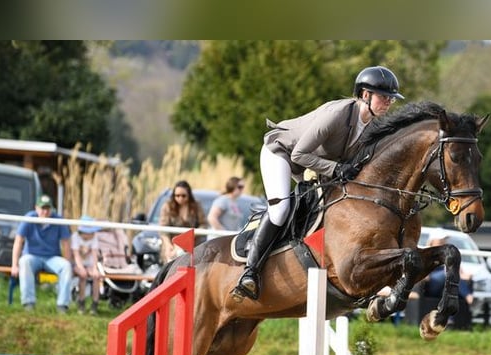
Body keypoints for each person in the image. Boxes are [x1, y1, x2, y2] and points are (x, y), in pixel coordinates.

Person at [234, 65, 404, 300]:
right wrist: (336, 168)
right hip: (281, 153)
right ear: (366, 95)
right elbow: (299, 155)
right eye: (384, 97)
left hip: (312, 167)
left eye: (391, 99)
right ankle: (250, 272)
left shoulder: (371, 127)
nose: (388, 103)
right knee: (281, 209)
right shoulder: (338, 114)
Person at [10, 195, 73, 313]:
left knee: (66, 266)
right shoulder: (29, 218)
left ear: (52, 209)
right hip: (32, 256)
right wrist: (14, 265)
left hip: (52, 258)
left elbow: (66, 244)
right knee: (24, 261)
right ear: (36, 208)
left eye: (47, 208)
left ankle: (62, 305)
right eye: (42, 208)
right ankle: (28, 303)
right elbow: (18, 241)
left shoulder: (59, 220)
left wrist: (69, 262)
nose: (45, 211)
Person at [158, 180, 208, 261]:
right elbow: (163, 228)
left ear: (189, 195)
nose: (180, 198)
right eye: (177, 195)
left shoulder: (196, 206)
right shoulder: (167, 206)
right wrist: (168, 245)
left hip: (192, 244)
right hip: (172, 244)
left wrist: (190, 235)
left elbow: (204, 225)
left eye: (183, 195)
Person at [71, 215, 102, 315]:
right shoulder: (75, 237)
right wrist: (80, 268)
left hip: (89, 264)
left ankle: (95, 304)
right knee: (82, 276)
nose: (93, 233)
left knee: (96, 277)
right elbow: (76, 255)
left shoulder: (94, 237)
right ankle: (81, 302)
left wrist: (95, 268)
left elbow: (94, 254)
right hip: (77, 264)